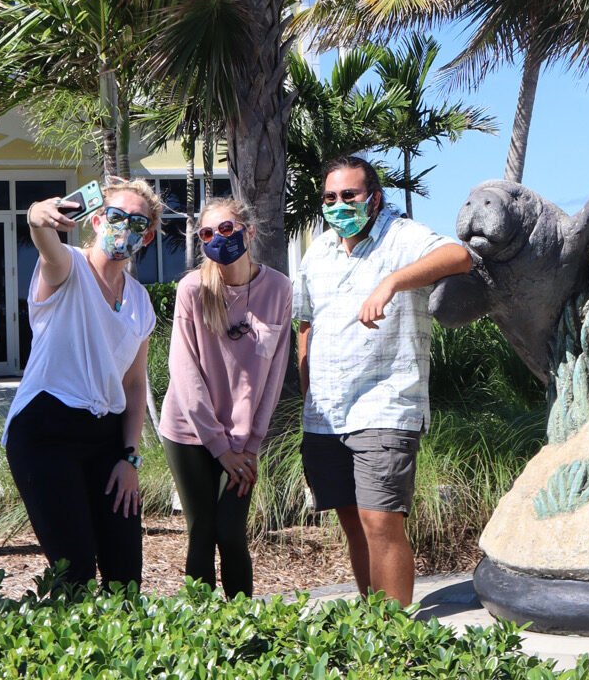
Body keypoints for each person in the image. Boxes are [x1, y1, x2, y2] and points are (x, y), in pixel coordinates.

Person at [293, 155, 474, 605]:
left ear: (373, 198)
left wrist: (392, 281)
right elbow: (305, 322)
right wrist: (306, 388)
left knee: (382, 522)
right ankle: (373, 621)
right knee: (352, 523)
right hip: (326, 414)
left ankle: (394, 636)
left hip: (385, 404)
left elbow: (460, 255)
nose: (339, 205)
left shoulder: (401, 236)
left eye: (349, 196)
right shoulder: (318, 250)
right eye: (330, 197)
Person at [2, 178, 161, 592]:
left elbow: (133, 384)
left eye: (137, 223)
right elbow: (46, 245)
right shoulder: (68, 268)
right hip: (45, 432)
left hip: (106, 440)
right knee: (74, 575)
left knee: (125, 577)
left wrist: (130, 458)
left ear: (146, 237)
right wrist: (37, 216)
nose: (124, 227)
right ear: (96, 220)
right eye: (116, 216)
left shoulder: (140, 302)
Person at [158, 195, 293, 596]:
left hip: (242, 438)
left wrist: (250, 445)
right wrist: (220, 447)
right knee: (201, 532)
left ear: (249, 231)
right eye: (208, 233)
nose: (218, 239)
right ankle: (201, 635)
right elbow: (184, 372)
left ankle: (242, 630)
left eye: (227, 229)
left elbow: (274, 375)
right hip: (189, 432)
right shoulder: (193, 288)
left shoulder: (278, 288)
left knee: (232, 533)